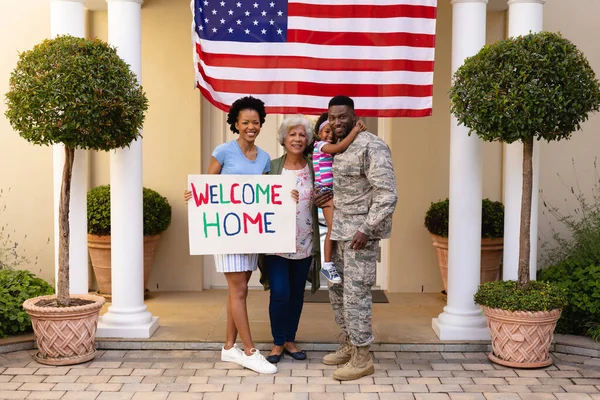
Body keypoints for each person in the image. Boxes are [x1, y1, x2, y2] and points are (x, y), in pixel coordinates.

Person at [184, 96, 277, 374]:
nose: (251, 126)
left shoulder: (264, 158)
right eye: (245, 122)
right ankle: (250, 351)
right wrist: (195, 194)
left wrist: (288, 195)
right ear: (235, 124)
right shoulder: (223, 151)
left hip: (249, 233)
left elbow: (265, 195)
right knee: (239, 290)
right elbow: (208, 185)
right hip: (227, 231)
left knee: (238, 290)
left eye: (256, 122)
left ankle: (228, 347)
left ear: (261, 124)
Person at [322, 95, 398, 381]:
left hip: (359, 237)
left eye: (342, 116)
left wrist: (367, 229)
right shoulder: (337, 148)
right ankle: (349, 344)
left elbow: (386, 193)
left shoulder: (372, 146)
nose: (336, 122)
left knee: (357, 295)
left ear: (354, 116)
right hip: (338, 232)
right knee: (337, 292)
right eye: (332, 117)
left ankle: (362, 356)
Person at [257, 114, 327, 364]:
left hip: (305, 243)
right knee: (280, 292)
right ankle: (277, 343)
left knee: (297, 294)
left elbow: (327, 195)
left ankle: (289, 340)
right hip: (276, 245)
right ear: (284, 139)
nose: (297, 139)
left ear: (308, 139)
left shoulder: (314, 167)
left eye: (302, 135)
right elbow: (257, 198)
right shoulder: (272, 167)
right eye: (292, 134)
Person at [312, 113, 366, 284]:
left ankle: (332, 262)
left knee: (334, 228)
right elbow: (341, 147)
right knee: (332, 228)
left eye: (331, 133)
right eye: (325, 131)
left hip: (332, 192)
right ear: (319, 134)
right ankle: (327, 264)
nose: (329, 135)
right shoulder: (321, 146)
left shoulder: (329, 147)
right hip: (325, 192)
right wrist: (356, 129)